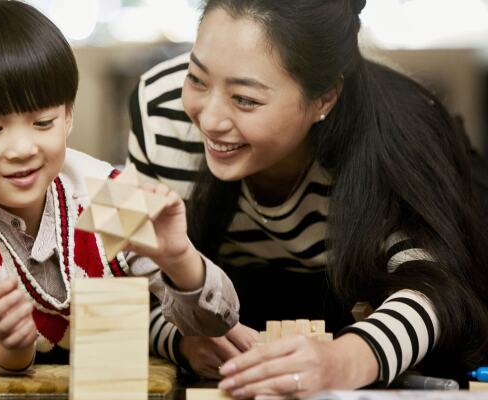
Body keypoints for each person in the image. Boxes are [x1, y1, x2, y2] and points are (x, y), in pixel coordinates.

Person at [128, 0, 488, 397]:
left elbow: (433, 290)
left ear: (324, 99)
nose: (209, 119)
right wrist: (181, 337)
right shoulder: (162, 114)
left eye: (245, 99)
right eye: (196, 79)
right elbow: (126, 281)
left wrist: (344, 360)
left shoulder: (394, 140)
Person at [0, 0, 240, 375]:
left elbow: (211, 322)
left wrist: (180, 259)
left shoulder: (103, 192)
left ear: (67, 115)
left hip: (94, 335)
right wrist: (9, 345)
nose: (23, 149)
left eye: (43, 122)